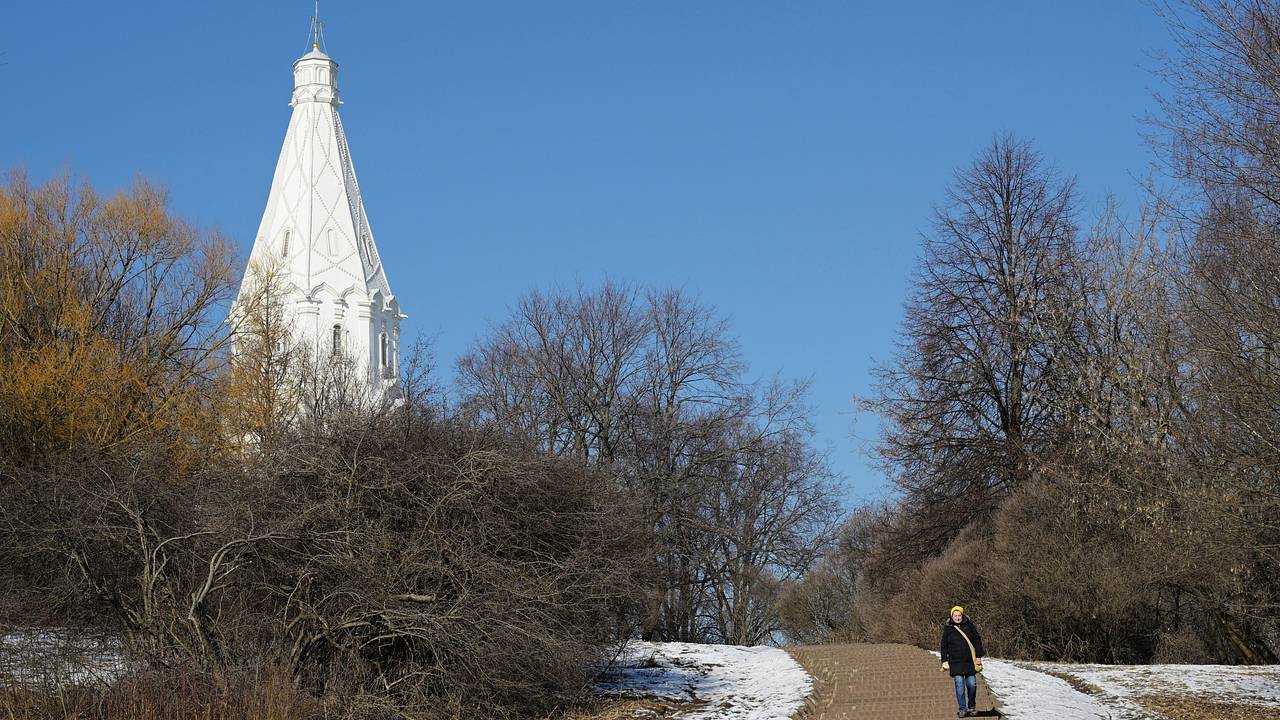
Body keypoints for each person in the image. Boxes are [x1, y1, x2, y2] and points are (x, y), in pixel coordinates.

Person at [939, 605, 985, 717]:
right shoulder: (948, 628)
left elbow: (977, 641)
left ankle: (972, 706)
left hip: (969, 661)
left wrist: (978, 656)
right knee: (959, 684)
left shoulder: (969, 626)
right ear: (952, 616)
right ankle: (962, 709)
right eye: (955, 615)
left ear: (962, 615)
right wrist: (944, 660)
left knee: (972, 685)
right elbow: (944, 645)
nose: (958, 617)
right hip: (955, 662)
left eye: (959, 615)